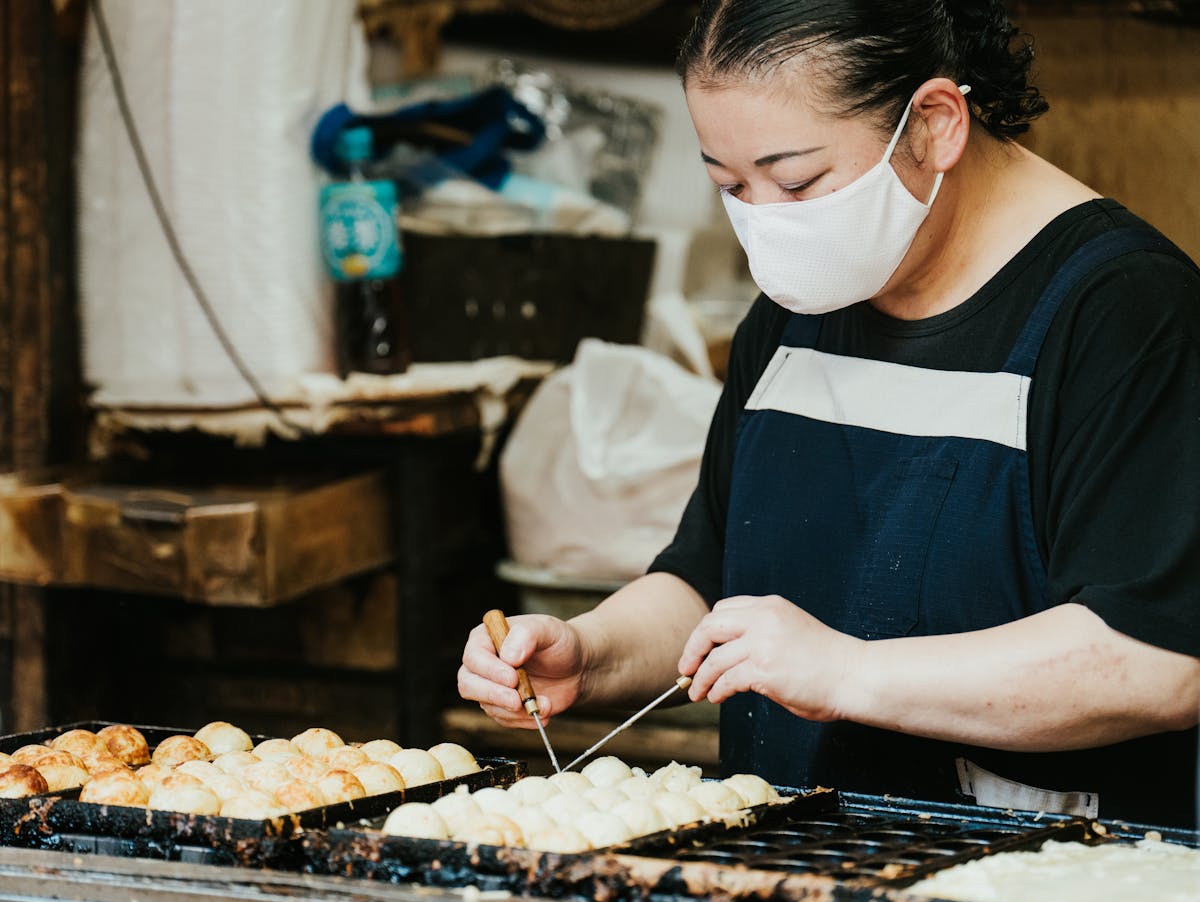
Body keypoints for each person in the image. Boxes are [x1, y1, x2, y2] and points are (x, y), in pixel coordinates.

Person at [459, 0, 1200, 828]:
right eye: (730, 185)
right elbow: (711, 583)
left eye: (798, 180)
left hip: (1042, 865)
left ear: (933, 124)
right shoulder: (807, 295)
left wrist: (843, 672)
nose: (769, 219)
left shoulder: (1122, 315)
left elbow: (1157, 659)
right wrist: (589, 653)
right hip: (795, 857)